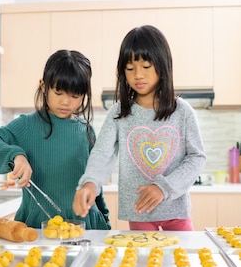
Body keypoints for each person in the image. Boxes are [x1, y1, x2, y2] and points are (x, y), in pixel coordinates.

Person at [73, 25, 206, 231]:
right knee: (142, 264)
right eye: (129, 68)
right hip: (139, 211)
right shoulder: (119, 114)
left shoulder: (182, 111)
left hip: (176, 211)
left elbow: (197, 157)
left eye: (145, 66)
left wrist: (163, 187)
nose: (137, 75)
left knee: (181, 262)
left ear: (162, 65)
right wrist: (90, 183)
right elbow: (101, 155)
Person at [0, 49, 110, 230]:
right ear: (43, 86)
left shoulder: (86, 130)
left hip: (84, 227)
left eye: (75, 96)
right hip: (37, 227)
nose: (66, 102)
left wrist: (104, 219)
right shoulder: (27, 125)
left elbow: (95, 183)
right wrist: (16, 156)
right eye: (59, 92)